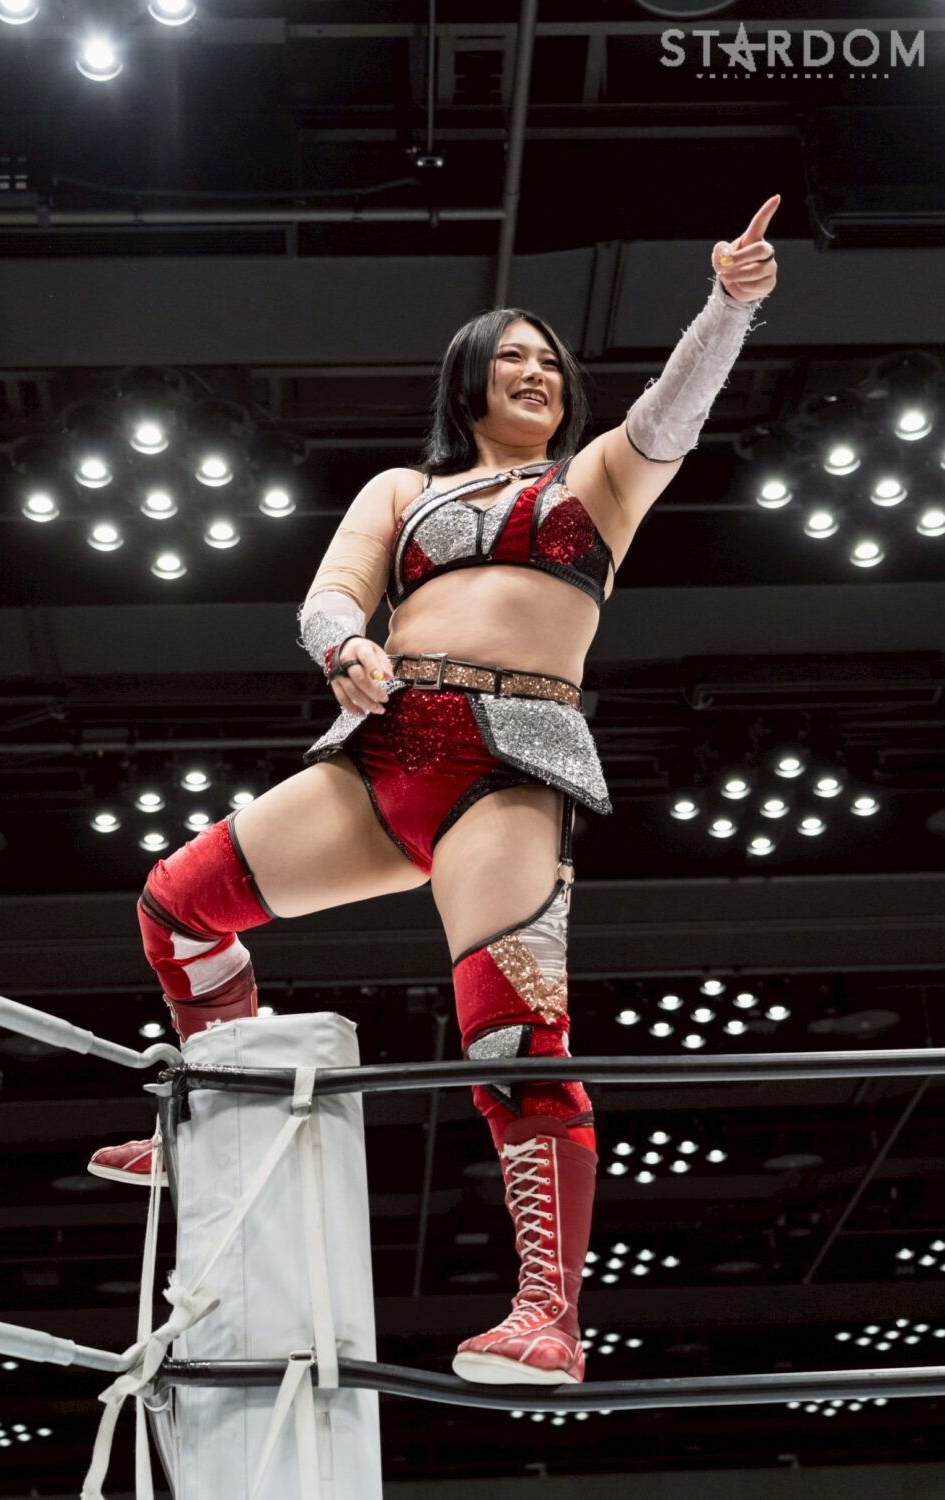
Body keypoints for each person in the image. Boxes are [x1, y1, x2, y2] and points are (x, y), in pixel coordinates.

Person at [88, 197, 780, 1386]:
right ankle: (212, 1121)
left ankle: (546, 1315)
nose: (537, 371)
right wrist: (343, 646)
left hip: (508, 762)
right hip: (382, 747)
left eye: (549, 359)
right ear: (467, 382)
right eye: (511, 356)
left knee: (512, 1029)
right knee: (176, 905)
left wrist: (727, 303)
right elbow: (329, 593)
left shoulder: (599, 482)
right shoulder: (403, 488)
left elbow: (674, 409)